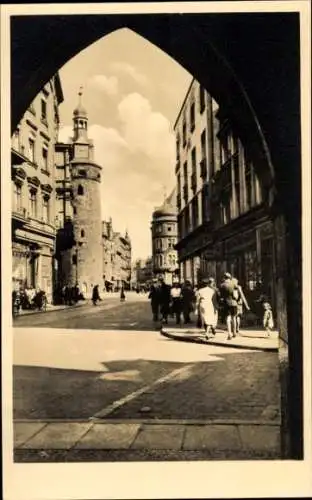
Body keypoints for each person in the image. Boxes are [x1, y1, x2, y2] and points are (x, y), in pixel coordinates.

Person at [219, 272, 239, 340]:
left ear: (224, 278)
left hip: (226, 303)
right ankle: (234, 332)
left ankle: (229, 333)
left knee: (228, 318)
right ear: (230, 277)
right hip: (234, 303)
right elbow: (236, 293)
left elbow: (221, 296)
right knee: (234, 318)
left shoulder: (222, 285)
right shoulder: (233, 284)